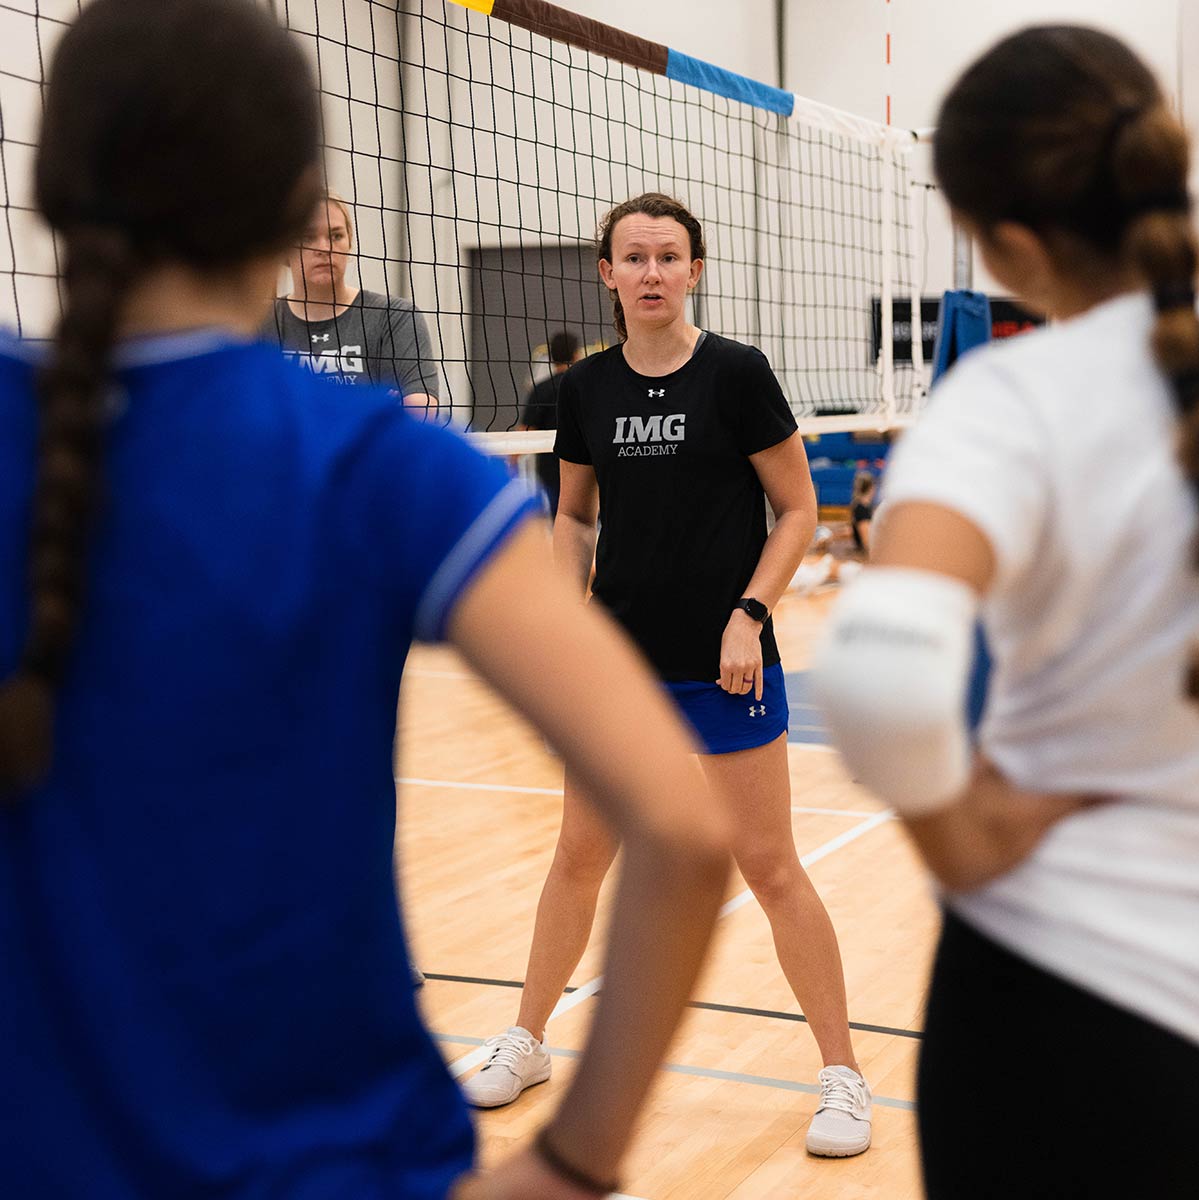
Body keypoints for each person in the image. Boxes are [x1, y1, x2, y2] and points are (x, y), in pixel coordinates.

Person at [0, 5, 733, 1199]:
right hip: (343, 1163)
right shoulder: (376, 469)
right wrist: (571, 1163)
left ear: (47, 185)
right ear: (299, 210)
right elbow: (683, 829)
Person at [812, 25, 1199, 1198]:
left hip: (1063, 1001)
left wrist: (967, 840)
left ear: (1014, 244)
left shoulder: (1014, 400)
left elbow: (879, 676)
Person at [465, 192, 873, 1159]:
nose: (651, 272)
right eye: (633, 258)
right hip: (620, 667)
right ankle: (528, 1041)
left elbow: (798, 511)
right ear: (606, 274)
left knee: (768, 866)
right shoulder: (585, 390)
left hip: (726, 664)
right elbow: (572, 517)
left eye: (668, 257)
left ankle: (843, 1073)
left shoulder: (737, 374)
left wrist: (753, 614)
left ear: (695, 269)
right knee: (577, 857)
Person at [264, 189, 442, 416]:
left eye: (336, 236)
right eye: (308, 237)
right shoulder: (261, 323)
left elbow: (422, 410)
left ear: (349, 242)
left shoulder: (395, 317)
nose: (324, 248)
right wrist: (373, 411)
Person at [516, 330, 582, 518]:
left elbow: (524, 432)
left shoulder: (542, 389)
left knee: (561, 520)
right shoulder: (586, 386)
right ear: (576, 354)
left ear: (551, 358)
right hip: (584, 467)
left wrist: (507, 467)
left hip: (552, 471)